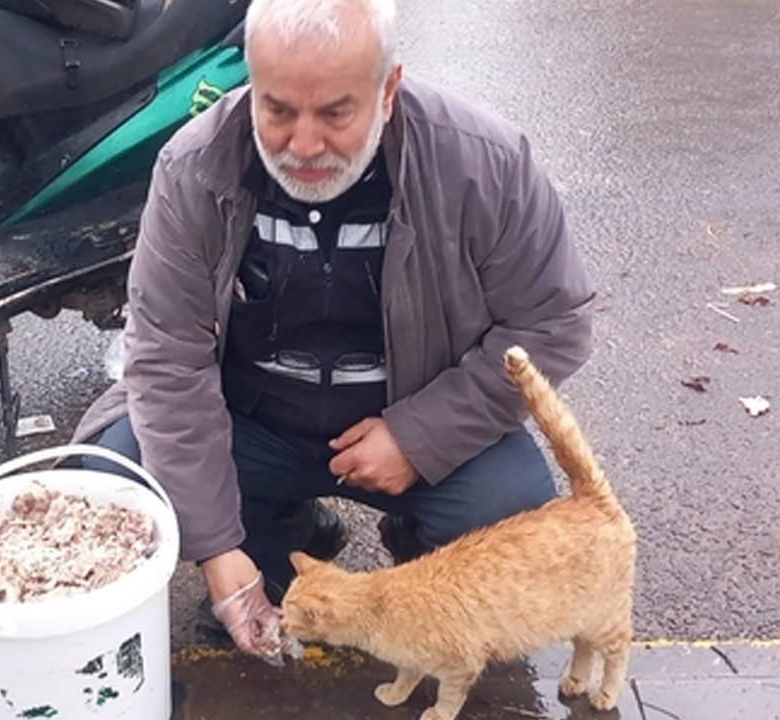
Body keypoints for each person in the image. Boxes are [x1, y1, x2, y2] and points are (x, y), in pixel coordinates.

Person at [73, 0, 595, 659]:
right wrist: (218, 548)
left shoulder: (484, 164)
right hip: (253, 427)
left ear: (388, 90)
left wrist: (419, 436)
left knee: (513, 515)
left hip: (412, 421)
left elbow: (554, 322)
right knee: (119, 486)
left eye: (335, 113)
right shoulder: (192, 169)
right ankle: (282, 543)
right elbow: (166, 360)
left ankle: (418, 557)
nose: (304, 145)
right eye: (279, 109)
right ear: (250, 87)